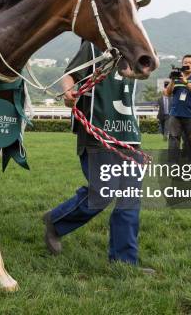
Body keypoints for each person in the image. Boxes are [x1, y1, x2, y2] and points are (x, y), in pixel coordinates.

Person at [43, 41, 154, 273]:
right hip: (97, 133)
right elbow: (70, 76)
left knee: (129, 200)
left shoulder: (135, 46)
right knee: (104, 192)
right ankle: (56, 221)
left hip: (128, 137)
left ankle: (124, 263)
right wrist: (68, 93)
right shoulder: (93, 47)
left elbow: (144, 70)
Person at [164, 54, 191, 164]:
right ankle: (173, 165)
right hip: (175, 114)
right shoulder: (176, 77)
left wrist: (185, 82)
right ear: (182, 64)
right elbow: (167, 93)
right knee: (173, 139)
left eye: (190, 63)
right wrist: (173, 81)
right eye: (185, 62)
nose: (187, 64)